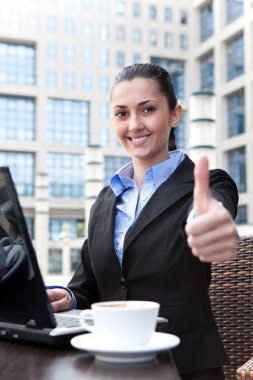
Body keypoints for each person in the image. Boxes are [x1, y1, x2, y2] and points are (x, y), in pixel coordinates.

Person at [47, 63, 238, 380]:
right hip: (109, 363)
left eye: (148, 109)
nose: (134, 124)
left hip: (184, 366)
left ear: (175, 115)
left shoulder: (209, 185)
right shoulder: (105, 201)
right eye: (122, 114)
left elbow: (213, 211)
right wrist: (69, 297)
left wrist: (209, 225)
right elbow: (87, 285)